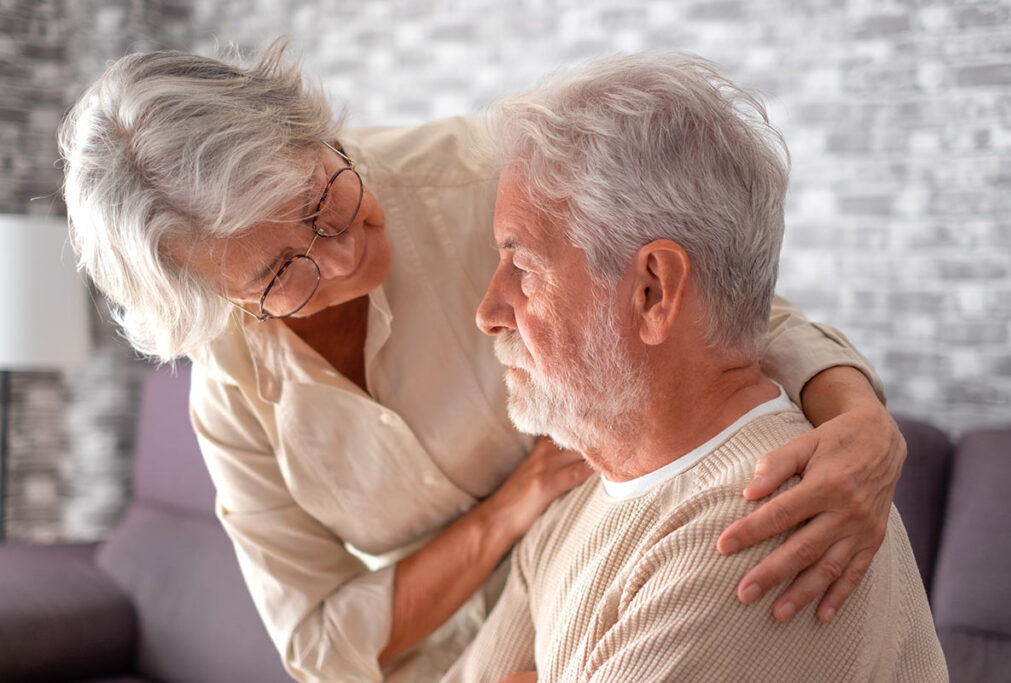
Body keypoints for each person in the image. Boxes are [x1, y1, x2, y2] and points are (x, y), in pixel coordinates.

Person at [59, 41, 907, 682]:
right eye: (283, 271)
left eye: (324, 198)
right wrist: (513, 507)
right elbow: (318, 643)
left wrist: (859, 418)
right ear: (224, 304)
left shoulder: (482, 180)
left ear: (315, 132)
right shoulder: (233, 390)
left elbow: (707, 298)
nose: (344, 255)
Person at [444, 51, 946, 683]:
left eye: (523, 268)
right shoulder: (579, 502)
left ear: (653, 290)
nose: (489, 311)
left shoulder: (766, 524)